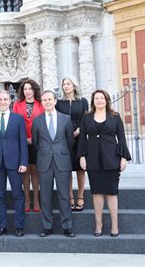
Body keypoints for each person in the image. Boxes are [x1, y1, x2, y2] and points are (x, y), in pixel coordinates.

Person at [78, 89, 131, 237]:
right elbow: (82, 138)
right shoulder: (87, 117)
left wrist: (123, 157)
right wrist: (82, 157)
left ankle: (114, 225)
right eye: (96, 98)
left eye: (102, 98)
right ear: (93, 101)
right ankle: (98, 224)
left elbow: (122, 138)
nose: (99, 100)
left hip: (112, 158)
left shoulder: (115, 116)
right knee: (97, 193)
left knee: (112, 193)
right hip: (92, 159)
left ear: (107, 100)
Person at [0, 90, 28, 237]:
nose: (2, 102)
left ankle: (19, 226)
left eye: (5, 99)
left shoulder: (18, 119)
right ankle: (1, 226)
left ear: (10, 101)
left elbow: (23, 142)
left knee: (18, 195)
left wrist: (23, 162)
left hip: (15, 162)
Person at [32, 90, 75, 238]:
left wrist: (60, 152)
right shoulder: (37, 121)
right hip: (44, 162)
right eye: (44, 100)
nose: (47, 102)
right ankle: (47, 227)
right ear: (42, 103)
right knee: (45, 196)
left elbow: (70, 141)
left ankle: (67, 227)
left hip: (62, 161)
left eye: (50, 99)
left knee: (64, 195)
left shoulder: (66, 119)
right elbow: (36, 143)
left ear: (55, 101)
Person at [55, 77, 89, 212]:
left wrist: (78, 130)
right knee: (67, 168)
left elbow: (85, 118)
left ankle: (80, 196)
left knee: (81, 168)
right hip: (64, 137)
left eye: (68, 84)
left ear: (74, 85)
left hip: (80, 137)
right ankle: (70, 197)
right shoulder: (59, 103)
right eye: (64, 84)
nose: (66, 86)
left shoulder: (83, 102)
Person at [13, 79, 44, 213]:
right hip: (22, 142)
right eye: (25, 89)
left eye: (30, 89)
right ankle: (27, 200)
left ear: (34, 90)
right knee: (24, 172)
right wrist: (24, 138)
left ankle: (36, 200)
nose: (27, 91)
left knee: (36, 172)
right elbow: (14, 123)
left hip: (38, 142)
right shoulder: (17, 105)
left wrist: (34, 138)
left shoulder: (41, 104)